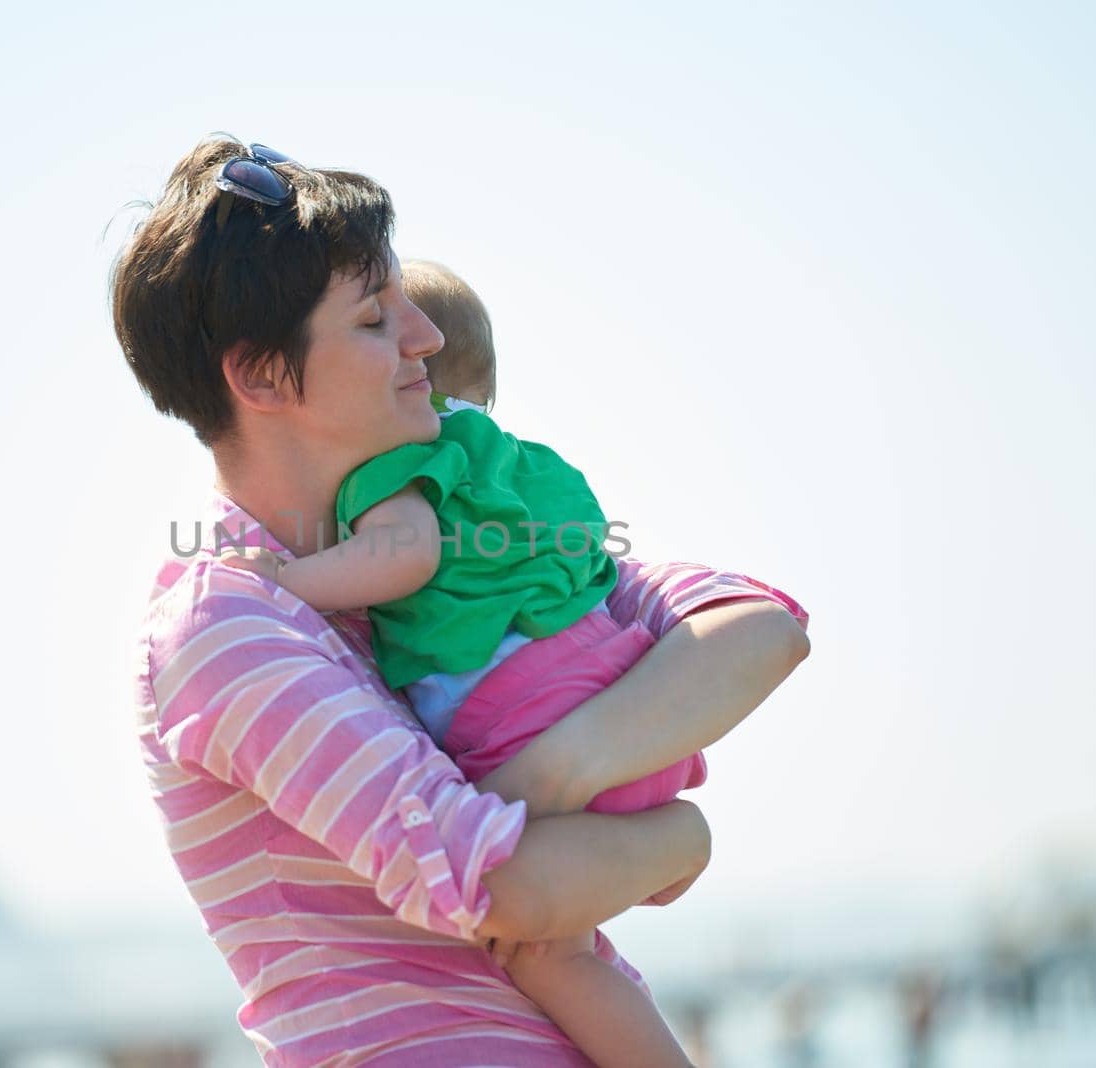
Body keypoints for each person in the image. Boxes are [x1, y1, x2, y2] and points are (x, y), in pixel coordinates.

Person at [112, 135, 812, 1067]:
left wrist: (568, 787)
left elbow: (757, 634)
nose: (426, 337)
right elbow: (502, 885)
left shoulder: (469, 540)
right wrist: (680, 831)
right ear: (261, 375)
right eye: (373, 319)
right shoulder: (228, 622)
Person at [217, 260, 726, 1066]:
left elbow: (405, 555)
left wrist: (287, 580)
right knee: (582, 939)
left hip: (524, 723)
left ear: (414, 381)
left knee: (552, 955)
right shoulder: (520, 465)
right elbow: (597, 566)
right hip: (627, 708)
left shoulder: (400, 464)